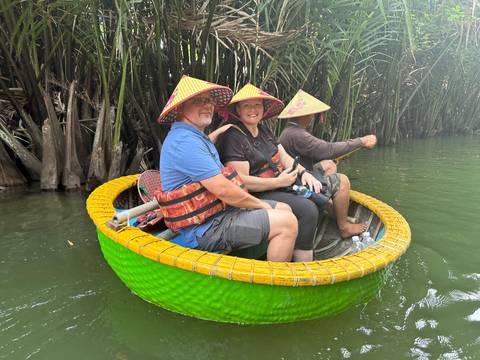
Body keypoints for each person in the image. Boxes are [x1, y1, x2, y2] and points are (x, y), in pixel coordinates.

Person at [155, 76, 297, 262]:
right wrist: (259, 204)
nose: (207, 106)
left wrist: (218, 132)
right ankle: (273, 287)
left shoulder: (195, 136)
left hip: (219, 214)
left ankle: (265, 266)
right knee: (287, 223)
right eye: (198, 101)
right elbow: (223, 189)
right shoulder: (185, 142)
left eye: (209, 101)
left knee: (284, 208)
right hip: (204, 229)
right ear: (181, 108)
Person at [216, 84, 354, 262]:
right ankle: (303, 262)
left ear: (263, 109)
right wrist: (278, 183)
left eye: (257, 105)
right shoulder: (233, 137)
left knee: (319, 192)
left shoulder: (263, 129)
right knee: (308, 210)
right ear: (238, 109)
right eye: (247, 106)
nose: (253, 110)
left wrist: (304, 173)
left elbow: (283, 155)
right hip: (258, 192)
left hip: (280, 183)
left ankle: (301, 245)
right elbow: (241, 182)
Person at [278, 90, 377, 176]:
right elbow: (329, 149)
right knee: (343, 180)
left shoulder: (291, 130)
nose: (313, 117)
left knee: (330, 164)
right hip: (298, 177)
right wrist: (361, 141)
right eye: (312, 113)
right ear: (304, 115)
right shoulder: (297, 134)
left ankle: (326, 193)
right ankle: (326, 195)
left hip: (299, 171)